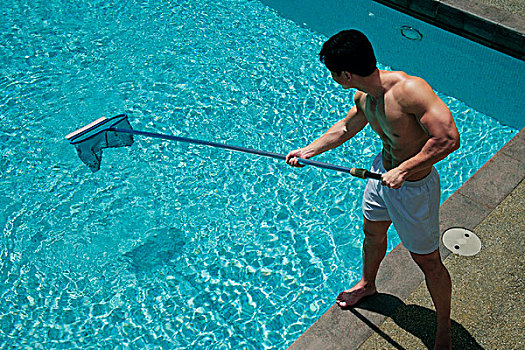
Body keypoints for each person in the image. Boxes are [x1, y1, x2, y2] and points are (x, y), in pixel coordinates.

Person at [285, 29, 460, 350]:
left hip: (413, 187)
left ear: (346, 74)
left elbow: (448, 137)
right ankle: (367, 285)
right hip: (381, 174)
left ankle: (443, 329)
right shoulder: (365, 97)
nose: (333, 77)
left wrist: (405, 169)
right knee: (372, 233)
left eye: (333, 72)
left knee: (428, 261)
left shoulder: (410, 90)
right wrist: (307, 152)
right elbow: (345, 127)